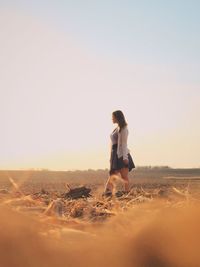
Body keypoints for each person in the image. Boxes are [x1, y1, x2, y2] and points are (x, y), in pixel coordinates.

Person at [103, 110, 135, 197]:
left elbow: (124, 144)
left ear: (117, 117)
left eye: (113, 117)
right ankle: (107, 194)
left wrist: (125, 157)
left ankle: (127, 195)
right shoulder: (117, 128)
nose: (111, 118)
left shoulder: (124, 129)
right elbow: (113, 144)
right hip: (115, 154)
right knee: (112, 175)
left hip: (121, 155)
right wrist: (111, 157)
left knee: (124, 177)